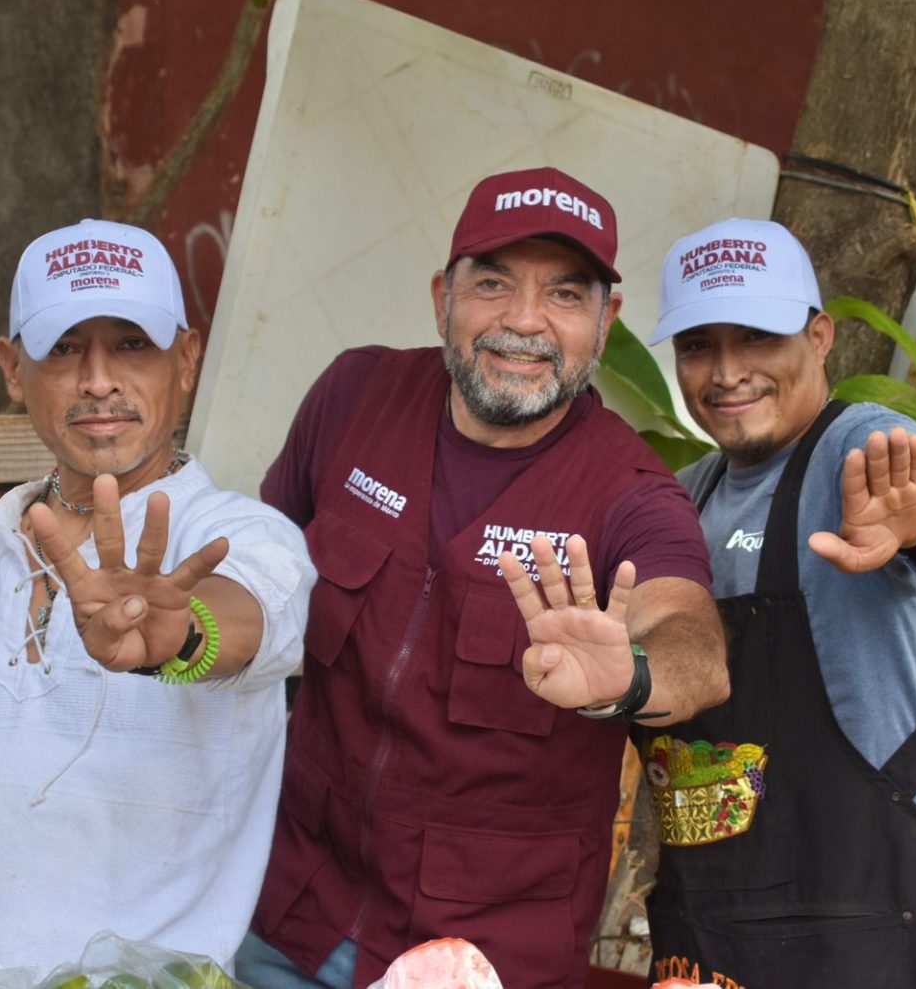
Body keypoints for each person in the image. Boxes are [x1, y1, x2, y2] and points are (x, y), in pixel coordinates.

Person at [238, 167, 730, 989]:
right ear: (443, 297)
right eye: (494, 283)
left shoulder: (629, 493)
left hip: (487, 958)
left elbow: (694, 643)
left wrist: (629, 679)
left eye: (566, 296)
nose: (524, 321)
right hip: (296, 915)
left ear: (606, 323)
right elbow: (260, 572)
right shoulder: (353, 397)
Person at [0, 219, 316, 984]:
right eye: (62, 349)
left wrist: (183, 639)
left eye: (131, 344)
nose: (96, 380)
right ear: (12, 367)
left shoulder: (245, 537)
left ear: (186, 359)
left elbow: (251, 620)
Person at [640, 217, 916, 989]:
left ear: (820, 337)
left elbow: (913, 496)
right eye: (697, 346)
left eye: (757, 337)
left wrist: (911, 523)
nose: (726, 371)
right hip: (705, 940)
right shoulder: (682, 498)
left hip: (860, 938)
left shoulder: (866, 451)